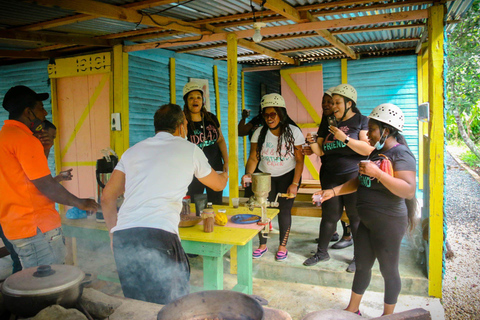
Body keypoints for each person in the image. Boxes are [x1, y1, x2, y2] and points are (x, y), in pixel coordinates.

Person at [101, 104, 228, 304]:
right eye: (186, 124)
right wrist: (226, 171)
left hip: (124, 236)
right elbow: (218, 185)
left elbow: (107, 198)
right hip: (159, 235)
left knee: (137, 305)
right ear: (180, 126)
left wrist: (112, 233)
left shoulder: (132, 151)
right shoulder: (190, 149)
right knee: (172, 306)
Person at [314, 103, 417, 316]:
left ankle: (388, 316)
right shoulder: (374, 154)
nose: (367, 134)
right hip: (366, 221)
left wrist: (378, 174)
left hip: (388, 222)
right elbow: (358, 181)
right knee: (361, 266)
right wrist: (332, 192)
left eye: (371, 129)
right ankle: (353, 309)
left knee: (389, 271)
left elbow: (408, 190)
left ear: (386, 131)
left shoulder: (402, 155)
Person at [0, 85, 99, 269]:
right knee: (47, 283)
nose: (45, 113)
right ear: (29, 112)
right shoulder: (24, 139)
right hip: (36, 227)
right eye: (40, 107)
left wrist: (44, 150)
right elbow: (44, 184)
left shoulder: (5, 136)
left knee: (33, 281)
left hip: (16, 225)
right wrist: (79, 202)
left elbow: (27, 179)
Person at [303, 84, 373, 272]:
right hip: (330, 176)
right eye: (332, 102)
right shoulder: (328, 122)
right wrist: (312, 143)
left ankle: (359, 258)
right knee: (329, 216)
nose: (333, 106)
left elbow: (368, 149)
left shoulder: (361, 121)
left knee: (354, 217)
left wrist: (345, 139)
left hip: (353, 176)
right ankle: (321, 253)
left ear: (349, 103)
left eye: (337, 102)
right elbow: (321, 151)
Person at [241, 93, 304, 262]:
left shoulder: (294, 132)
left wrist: (294, 183)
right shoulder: (259, 133)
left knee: (284, 210)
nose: (269, 118)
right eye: (265, 114)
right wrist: (249, 174)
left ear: (281, 114)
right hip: (264, 176)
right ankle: (262, 244)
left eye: (273, 114)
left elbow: (299, 160)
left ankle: (282, 246)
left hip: (287, 175)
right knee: (263, 210)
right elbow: (254, 158)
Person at [304, 87, 352, 247]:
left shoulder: (350, 121)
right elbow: (322, 147)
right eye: (323, 101)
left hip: (347, 171)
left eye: (330, 102)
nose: (325, 105)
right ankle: (332, 234)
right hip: (329, 170)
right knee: (332, 206)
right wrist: (311, 146)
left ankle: (347, 236)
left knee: (348, 205)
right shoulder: (326, 121)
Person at [183, 82, 228, 205]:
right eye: (191, 97)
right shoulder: (183, 121)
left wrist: (226, 161)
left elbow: (220, 140)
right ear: (186, 101)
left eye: (198, 97)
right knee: (194, 203)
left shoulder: (210, 118)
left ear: (202, 100)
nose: (195, 100)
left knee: (216, 202)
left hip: (215, 166)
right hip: (193, 170)